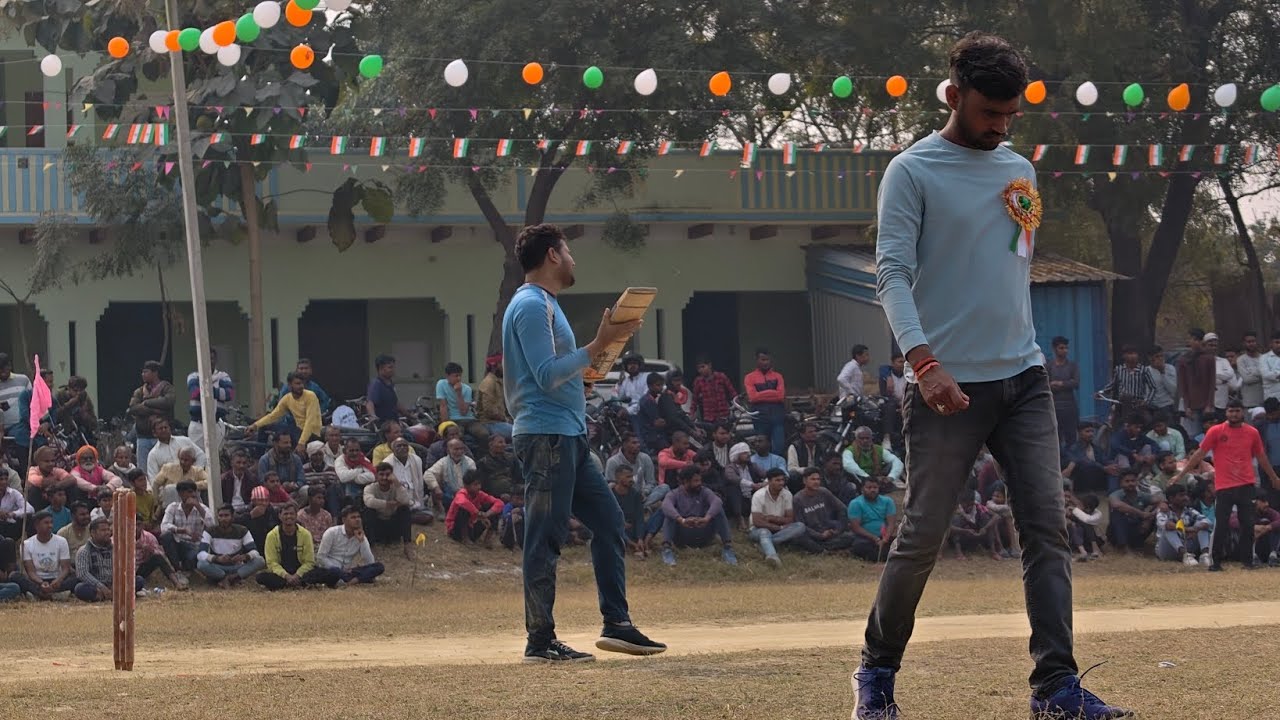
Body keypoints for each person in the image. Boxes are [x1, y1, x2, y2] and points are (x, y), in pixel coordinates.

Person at [857, 35, 1127, 718]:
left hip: (1025, 379)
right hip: (947, 387)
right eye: (989, 112)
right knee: (921, 536)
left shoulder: (1019, 171)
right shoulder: (911, 171)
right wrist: (924, 362)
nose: (1000, 126)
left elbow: (1009, 264)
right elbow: (890, 274)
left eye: (1010, 115)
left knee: (1049, 530)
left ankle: (1056, 689)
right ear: (954, 95)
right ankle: (876, 677)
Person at [502, 223, 666, 663]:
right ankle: (540, 641)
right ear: (553, 256)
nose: (574, 260)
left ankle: (617, 624)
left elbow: (558, 373)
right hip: (546, 435)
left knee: (610, 522)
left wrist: (589, 367)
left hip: (567, 434)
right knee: (545, 538)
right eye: (569, 252)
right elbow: (546, 373)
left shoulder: (545, 305)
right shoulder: (533, 305)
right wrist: (600, 343)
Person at [1171, 398, 1280, 571]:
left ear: (1242, 412)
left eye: (1237, 411)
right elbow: (1199, 454)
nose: (1234, 414)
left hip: (1246, 484)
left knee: (1247, 524)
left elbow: (1261, 457)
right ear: (1226, 412)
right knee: (1221, 524)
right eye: (1230, 411)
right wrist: (1181, 475)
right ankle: (1216, 562)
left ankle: (1248, 561)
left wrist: (1274, 478)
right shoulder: (1216, 431)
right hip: (1224, 486)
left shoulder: (1252, 432)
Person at [658, 466, 738, 567]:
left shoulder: (704, 491)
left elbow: (717, 501)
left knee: (718, 510)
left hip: (703, 533)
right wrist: (681, 520)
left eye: (700, 480)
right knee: (669, 513)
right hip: (682, 536)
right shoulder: (674, 494)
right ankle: (667, 550)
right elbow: (666, 505)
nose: (699, 483)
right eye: (695, 481)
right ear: (685, 481)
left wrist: (706, 518)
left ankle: (727, 548)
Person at [9, 510, 77, 599]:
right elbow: (31, 571)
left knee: (76, 577)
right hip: (37, 580)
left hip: (56, 579)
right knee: (14, 576)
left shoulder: (61, 541)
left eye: (51, 522)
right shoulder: (26, 544)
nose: (50, 526)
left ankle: (40, 594)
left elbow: (65, 568)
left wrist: (58, 580)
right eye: (46, 523)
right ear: (37, 525)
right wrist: (41, 583)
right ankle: (50, 594)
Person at [73, 518, 144, 602]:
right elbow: (83, 574)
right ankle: (113, 595)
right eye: (103, 530)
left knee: (139, 580)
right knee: (79, 588)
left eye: (108, 529)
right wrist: (101, 587)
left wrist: (116, 584)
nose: (107, 533)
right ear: (92, 533)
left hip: (116, 584)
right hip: (96, 587)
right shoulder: (84, 551)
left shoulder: (117, 549)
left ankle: (111, 595)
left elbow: (126, 568)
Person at [247, 372, 323, 449]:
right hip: (297, 430)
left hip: (312, 433)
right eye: (297, 384)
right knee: (264, 426)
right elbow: (273, 416)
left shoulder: (310, 396)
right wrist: (255, 425)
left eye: (302, 384)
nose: (301, 386)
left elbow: (309, 422)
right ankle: (258, 457)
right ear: (290, 385)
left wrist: (301, 443)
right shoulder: (287, 398)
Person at [196, 505, 266, 588]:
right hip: (218, 567)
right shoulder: (210, 531)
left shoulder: (242, 530)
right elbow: (200, 554)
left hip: (237, 566)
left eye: (226, 516)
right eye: (220, 516)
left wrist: (245, 557)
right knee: (201, 564)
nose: (223, 519)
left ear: (232, 517)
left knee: (260, 560)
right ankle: (228, 578)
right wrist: (216, 558)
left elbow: (255, 552)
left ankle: (230, 578)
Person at [748, 468, 807, 566]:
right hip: (758, 529)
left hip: (780, 528)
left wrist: (773, 518)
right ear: (769, 481)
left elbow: (790, 519)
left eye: (782, 480)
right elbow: (757, 522)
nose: (781, 483)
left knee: (800, 526)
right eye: (777, 480)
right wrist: (779, 527)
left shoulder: (787, 494)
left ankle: (765, 544)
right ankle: (772, 557)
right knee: (764, 532)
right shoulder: (758, 495)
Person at [313, 507, 384, 587]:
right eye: (353, 517)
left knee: (379, 566)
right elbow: (321, 557)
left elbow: (370, 562)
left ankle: (352, 582)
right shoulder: (332, 532)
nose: (357, 520)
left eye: (358, 517)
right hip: (331, 570)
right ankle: (360, 579)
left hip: (348, 572)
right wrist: (339, 570)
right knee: (333, 571)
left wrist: (362, 541)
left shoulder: (361, 536)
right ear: (344, 520)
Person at [791, 467, 856, 554]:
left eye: (818, 479)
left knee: (851, 536)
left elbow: (842, 509)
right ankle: (824, 550)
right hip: (812, 534)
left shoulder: (824, 492)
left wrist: (838, 529)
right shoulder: (798, 499)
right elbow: (801, 525)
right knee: (799, 538)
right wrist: (820, 535)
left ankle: (820, 550)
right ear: (804, 481)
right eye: (813, 479)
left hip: (828, 530)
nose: (816, 482)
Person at [186, 349, 234, 465]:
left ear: (215, 360)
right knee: (197, 458)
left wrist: (207, 389)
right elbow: (195, 393)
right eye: (206, 358)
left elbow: (229, 394)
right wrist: (217, 392)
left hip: (216, 424)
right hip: (198, 425)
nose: (209, 361)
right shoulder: (194, 376)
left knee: (214, 459)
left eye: (212, 358)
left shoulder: (223, 376)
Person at [257, 502, 317, 590]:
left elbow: (309, 562)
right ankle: (295, 584)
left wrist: (297, 575)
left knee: (323, 573)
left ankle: (291, 584)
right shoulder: (272, 535)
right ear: (279, 516)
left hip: (300, 572)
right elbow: (271, 563)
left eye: (291, 514)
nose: (289, 516)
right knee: (261, 577)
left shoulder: (305, 534)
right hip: (281, 574)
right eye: (285, 514)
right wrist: (287, 576)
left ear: (296, 515)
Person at [160, 481, 214, 572]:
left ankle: (185, 567)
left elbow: (212, 526)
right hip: (178, 543)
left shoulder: (202, 508)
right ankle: (177, 570)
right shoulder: (172, 507)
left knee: (193, 559)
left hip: (194, 545)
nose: (192, 494)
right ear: (181, 494)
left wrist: (198, 506)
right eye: (189, 492)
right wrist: (183, 530)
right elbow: (164, 526)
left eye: (194, 491)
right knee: (165, 536)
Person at [362, 462, 413, 558]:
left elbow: (406, 501)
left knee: (404, 509)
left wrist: (397, 484)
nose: (384, 478)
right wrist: (388, 504)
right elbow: (369, 501)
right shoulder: (370, 488)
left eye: (388, 475)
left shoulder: (396, 487)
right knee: (368, 511)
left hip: (393, 526)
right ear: (376, 476)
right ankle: (371, 547)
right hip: (377, 527)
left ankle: (407, 545)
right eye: (381, 474)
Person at [1153, 484, 1211, 566]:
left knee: (1202, 525)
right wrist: (1189, 529)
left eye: (1186, 495)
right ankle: (1185, 555)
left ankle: (1205, 555)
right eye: (1181, 495)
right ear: (1171, 498)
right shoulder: (1164, 511)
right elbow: (1167, 525)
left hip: (1187, 545)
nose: (1186, 498)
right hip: (1167, 550)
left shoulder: (1189, 510)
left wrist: (1196, 528)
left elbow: (1207, 522)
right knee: (1169, 528)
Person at [744, 349, 787, 455]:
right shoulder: (750, 377)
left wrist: (761, 394)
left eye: (767, 359)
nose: (766, 362)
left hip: (777, 417)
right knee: (762, 448)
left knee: (779, 447)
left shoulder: (778, 376)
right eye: (763, 359)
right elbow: (753, 398)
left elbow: (781, 396)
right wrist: (773, 392)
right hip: (760, 417)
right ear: (757, 360)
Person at [446, 469, 504, 546]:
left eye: (479, 484)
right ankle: (465, 538)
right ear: (466, 486)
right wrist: (477, 513)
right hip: (455, 529)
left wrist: (487, 514)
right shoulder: (461, 493)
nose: (479, 487)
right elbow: (462, 502)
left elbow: (499, 503)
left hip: (471, 526)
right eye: (475, 484)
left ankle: (488, 539)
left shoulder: (480, 494)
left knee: (494, 508)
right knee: (464, 509)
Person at [437, 361, 489, 443]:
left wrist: (459, 393)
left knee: (484, 434)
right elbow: (443, 406)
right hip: (453, 420)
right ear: (447, 376)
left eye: (460, 376)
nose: (458, 379)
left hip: (469, 420)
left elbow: (464, 412)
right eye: (456, 376)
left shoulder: (467, 389)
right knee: (457, 435)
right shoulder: (441, 384)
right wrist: (445, 424)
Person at [847, 476, 896, 564]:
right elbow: (856, 527)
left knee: (901, 544)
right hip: (865, 539)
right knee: (859, 547)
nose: (872, 490)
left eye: (875, 487)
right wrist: (874, 538)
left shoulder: (888, 501)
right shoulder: (855, 503)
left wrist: (885, 538)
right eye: (869, 488)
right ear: (862, 489)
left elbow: (891, 523)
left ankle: (886, 555)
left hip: (884, 538)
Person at [386, 438, 433, 524]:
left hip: (414, 501)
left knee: (429, 515)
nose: (402, 448)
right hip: (398, 502)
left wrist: (420, 503)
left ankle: (408, 516)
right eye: (399, 446)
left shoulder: (416, 459)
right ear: (392, 449)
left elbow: (420, 483)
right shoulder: (387, 463)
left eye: (405, 445)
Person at [1106, 470, 1155, 553]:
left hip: (1137, 529)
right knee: (1117, 513)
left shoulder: (1142, 495)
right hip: (1117, 533)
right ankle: (1123, 547)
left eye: (1133, 481)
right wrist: (1142, 514)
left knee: (1158, 512)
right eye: (1127, 481)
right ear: (1121, 483)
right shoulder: (1115, 494)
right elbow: (1116, 505)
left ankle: (1140, 544)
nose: (1130, 484)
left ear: (1137, 482)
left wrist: (1148, 520)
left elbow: (1161, 501)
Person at [135, 516, 188, 590]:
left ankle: (177, 583)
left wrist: (150, 550)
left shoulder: (149, 537)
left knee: (158, 557)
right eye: (134, 525)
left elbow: (160, 553)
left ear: (143, 525)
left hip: (141, 568)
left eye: (138, 524)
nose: (136, 527)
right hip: (125, 569)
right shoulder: (122, 536)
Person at [949, 492, 1003, 561]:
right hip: (961, 538)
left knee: (986, 518)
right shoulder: (956, 509)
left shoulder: (979, 507)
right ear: (961, 503)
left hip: (977, 536)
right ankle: (959, 552)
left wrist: (985, 528)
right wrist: (964, 531)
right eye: (965, 505)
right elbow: (949, 527)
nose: (968, 507)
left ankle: (993, 552)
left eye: (970, 505)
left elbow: (996, 516)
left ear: (973, 503)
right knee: (956, 518)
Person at [1047, 337, 1080, 447]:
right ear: (1055, 349)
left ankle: (1073, 462)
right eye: (1061, 348)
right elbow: (1046, 385)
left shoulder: (1072, 366)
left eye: (1066, 348)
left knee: (1071, 437)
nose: (1065, 350)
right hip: (1055, 407)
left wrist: (1060, 383)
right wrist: (1066, 383)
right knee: (1056, 438)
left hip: (1070, 407)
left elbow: (1076, 383)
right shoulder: (1049, 366)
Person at [424, 438, 474, 509]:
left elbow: (473, 481)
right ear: (448, 451)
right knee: (434, 488)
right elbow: (428, 474)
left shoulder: (470, 462)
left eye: (461, 449)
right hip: (448, 495)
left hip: (466, 495)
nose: (459, 452)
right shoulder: (443, 462)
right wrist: (436, 488)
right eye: (456, 449)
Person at [256, 433, 307, 501]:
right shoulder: (265, 460)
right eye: (285, 443)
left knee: (305, 490)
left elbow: (302, 479)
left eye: (289, 442)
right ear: (275, 443)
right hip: (272, 493)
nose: (289, 445)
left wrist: (294, 486)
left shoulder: (296, 459)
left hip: (293, 492)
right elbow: (262, 481)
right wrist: (280, 488)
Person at [474, 354, 514, 440]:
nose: (505, 367)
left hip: (499, 422)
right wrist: (504, 419)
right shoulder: (489, 383)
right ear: (494, 366)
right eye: (502, 364)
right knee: (517, 434)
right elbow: (489, 409)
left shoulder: (497, 382)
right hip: (490, 423)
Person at [691, 358, 736, 424]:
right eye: (698, 368)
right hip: (709, 417)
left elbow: (733, 393)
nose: (701, 370)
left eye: (703, 367)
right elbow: (694, 400)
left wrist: (737, 406)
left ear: (709, 365)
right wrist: (691, 414)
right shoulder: (698, 381)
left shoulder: (721, 377)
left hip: (724, 415)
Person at [366, 354, 407, 424]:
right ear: (381, 368)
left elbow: (396, 403)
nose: (393, 370)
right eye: (390, 367)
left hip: (394, 426)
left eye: (393, 367)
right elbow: (370, 403)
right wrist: (372, 417)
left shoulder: (390, 383)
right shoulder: (376, 384)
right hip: (384, 429)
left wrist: (410, 415)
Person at [0, 467, 32, 544]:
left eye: (6, 479)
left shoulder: (13, 493)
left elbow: (29, 509)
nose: (4, 482)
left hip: (9, 526)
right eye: (1, 479)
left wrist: (12, 514)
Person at [1251, 491, 1280, 566]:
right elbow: (1233, 521)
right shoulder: (1247, 511)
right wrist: (1253, 527)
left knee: (1270, 524)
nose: (1267, 504)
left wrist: (1267, 527)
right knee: (1248, 529)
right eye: (1263, 501)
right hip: (1251, 545)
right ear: (1256, 501)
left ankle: (1273, 556)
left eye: (1267, 501)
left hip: (1267, 545)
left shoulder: (1269, 511)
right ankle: (1252, 556)